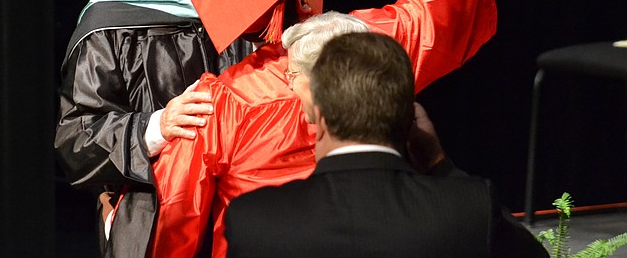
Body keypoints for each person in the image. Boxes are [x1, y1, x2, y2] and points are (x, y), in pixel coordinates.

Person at [147, 0, 506, 258]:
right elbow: (431, 4)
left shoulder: (213, 104)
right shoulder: (364, 52)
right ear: (303, 1)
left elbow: (176, 216)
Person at [55, 0, 256, 258]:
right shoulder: (111, 23)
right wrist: (155, 127)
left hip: (247, 217)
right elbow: (76, 139)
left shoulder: (252, 7)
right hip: (156, 223)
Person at [224, 32, 548, 258]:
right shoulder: (469, 211)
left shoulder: (254, 220)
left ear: (318, 117)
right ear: (411, 119)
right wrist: (438, 164)